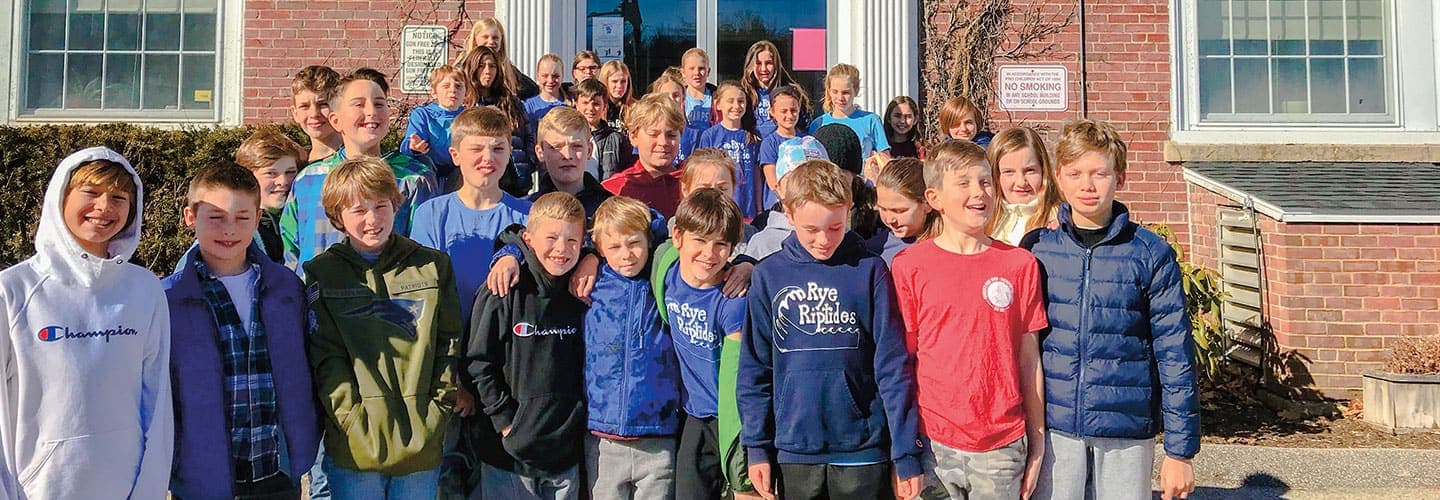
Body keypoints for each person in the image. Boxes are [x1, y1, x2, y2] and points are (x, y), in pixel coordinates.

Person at [1021, 119, 1199, 500]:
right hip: (1055, 428)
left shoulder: (1151, 254)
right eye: (1076, 174)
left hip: (1125, 430)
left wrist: (1180, 451)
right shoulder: (1037, 251)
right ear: (1059, 178)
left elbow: (1175, 355)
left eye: (1100, 173)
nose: (1088, 185)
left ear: (1120, 175)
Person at [739, 159, 923, 500]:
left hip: (862, 449)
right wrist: (757, 448)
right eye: (811, 229)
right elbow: (754, 371)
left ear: (849, 211)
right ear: (789, 214)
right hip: (794, 448)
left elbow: (892, 367)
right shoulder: (769, 276)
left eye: (835, 227)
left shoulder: (870, 270)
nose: (824, 240)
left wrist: (905, 454)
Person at [0, 147, 173, 500]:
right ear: (60, 198)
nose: (104, 207)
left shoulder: (144, 289)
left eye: (119, 197)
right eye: (91, 193)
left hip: (125, 487)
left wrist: (149, 488)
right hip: (37, 488)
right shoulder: (13, 290)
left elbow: (156, 398)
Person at [891, 140, 1048, 499]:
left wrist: (1036, 441)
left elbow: (1029, 358)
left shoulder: (1020, 265)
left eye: (985, 182)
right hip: (933, 443)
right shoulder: (911, 267)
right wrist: (901, 450)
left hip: (1001, 444)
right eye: (963, 183)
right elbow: (902, 361)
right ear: (934, 198)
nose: (979, 193)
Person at [304, 156, 461, 499]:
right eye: (358, 210)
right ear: (338, 217)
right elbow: (326, 358)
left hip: (422, 441)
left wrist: (436, 412)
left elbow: (448, 345)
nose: (372, 220)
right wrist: (351, 421)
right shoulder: (323, 273)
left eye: (381, 206)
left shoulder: (432, 266)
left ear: (395, 204)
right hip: (355, 449)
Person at [165, 163, 321, 500]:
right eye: (216, 217)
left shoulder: (287, 288)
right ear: (190, 217)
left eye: (241, 217)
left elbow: (307, 365)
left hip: (276, 469)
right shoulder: (168, 299)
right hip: (200, 474)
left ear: (258, 217)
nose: (229, 230)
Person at [469, 193, 590, 500]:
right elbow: (478, 362)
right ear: (528, 237)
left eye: (572, 241)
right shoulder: (504, 287)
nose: (561, 249)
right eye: (551, 237)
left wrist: (594, 257)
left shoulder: (585, 290)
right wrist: (505, 423)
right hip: (508, 456)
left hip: (565, 453)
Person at [280, 69, 438, 277]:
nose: (371, 111)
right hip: (316, 299)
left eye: (379, 103)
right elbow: (291, 248)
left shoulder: (413, 178)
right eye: (359, 104)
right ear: (336, 120)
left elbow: (424, 251)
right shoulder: (309, 180)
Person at [652, 188, 751, 499]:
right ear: (679, 237)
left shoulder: (733, 300)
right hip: (696, 415)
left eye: (721, 245)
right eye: (700, 241)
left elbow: (738, 377)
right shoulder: (665, 266)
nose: (709, 254)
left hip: (736, 422)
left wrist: (750, 265)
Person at [583, 196, 684, 500]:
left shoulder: (662, 276)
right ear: (600, 249)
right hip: (603, 437)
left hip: (657, 434)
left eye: (634, 243)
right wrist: (508, 254)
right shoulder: (593, 281)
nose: (626, 255)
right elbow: (536, 251)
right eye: (614, 247)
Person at [410, 106, 532, 325]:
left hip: (504, 344)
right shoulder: (431, 215)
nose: (487, 158)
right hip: (448, 341)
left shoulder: (528, 215)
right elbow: (422, 289)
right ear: (455, 155)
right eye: (476, 149)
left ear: (509, 153)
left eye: (498, 149)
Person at [459, 45, 537, 197]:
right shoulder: (465, 104)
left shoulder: (511, 102)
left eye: (492, 66)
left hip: (515, 180)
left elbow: (528, 135)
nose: (487, 71)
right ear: (472, 68)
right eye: (481, 66)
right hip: (478, 180)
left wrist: (528, 162)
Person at [602, 93, 686, 218]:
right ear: (633, 136)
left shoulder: (691, 183)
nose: (663, 143)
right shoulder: (614, 189)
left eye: (671, 135)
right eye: (653, 134)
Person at [234, 127, 307, 262]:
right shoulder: (241, 230)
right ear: (248, 176)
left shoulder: (302, 219)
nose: (283, 181)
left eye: (290, 172)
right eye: (271, 173)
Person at [529, 106, 613, 222]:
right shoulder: (528, 210)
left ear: (589, 150)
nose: (567, 155)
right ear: (540, 152)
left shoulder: (609, 209)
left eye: (576, 146)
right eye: (556, 147)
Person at [696, 81, 763, 219]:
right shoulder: (709, 135)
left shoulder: (752, 136)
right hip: (719, 207)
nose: (736, 106)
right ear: (718, 105)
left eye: (741, 101)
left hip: (747, 207)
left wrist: (759, 207)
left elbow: (756, 174)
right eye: (730, 101)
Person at [986, 127, 1061, 245]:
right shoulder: (982, 219)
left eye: (1030, 170)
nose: (1021, 182)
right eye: (1009, 172)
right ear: (994, 174)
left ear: (1043, 170)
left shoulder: (1060, 220)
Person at [808, 63, 890, 166]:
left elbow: (884, 159)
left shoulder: (871, 120)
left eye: (845, 92)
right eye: (835, 92)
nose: (840, 97)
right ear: (828, 91)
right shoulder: (818, 124)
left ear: (856, 91)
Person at [402, 65, 468, 188]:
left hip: (457, 170)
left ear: (466, 91)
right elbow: (408, 143)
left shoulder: (468, 117)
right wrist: (414, 147)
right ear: (433, 92)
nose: (453, 90)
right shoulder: (423, 115)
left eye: (458, 86)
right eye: (446, 86)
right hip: (430, 169)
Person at [865, 157, 938, 265]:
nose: (890, 220)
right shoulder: (873, 250)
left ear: (927, 204)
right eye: (883, 209)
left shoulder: (952, 244)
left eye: (899, 211)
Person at [741, 40, 811, 138]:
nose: (764, 69)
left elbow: (803, 127)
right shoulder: (744, 93)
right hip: (754, 149)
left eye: (768, 63)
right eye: (758, 63)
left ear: (776, 64)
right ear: (751, 66)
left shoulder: (791, 93)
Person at [460, 17, 539, 99]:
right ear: (475, 40)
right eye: (485, 37)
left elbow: (533, 90)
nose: (491, 42)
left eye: (495, 38)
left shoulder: (509, 70)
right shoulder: (463, 67)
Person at [757, 85, 808, 212]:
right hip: (779, 205)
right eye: (783, 111)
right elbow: (772, 180)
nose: (789, 115)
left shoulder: (807, 140)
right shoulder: (770, 143)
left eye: (793, 110)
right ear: (772, 112)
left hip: (803, 202)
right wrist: (787, 201)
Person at [576, 78, 634, 181]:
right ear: (576, 105)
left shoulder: (617, 139)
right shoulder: (569, 138)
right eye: (585, 103)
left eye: (596, 104)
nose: (590, 108)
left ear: (604, 106)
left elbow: (627, 175)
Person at [290, 64, 344, 163]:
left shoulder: (355, 162)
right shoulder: (293, 168)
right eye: (304, 106)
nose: (314, 114)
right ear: (295, 113)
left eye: (323, 104)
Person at [679, 48, 717, 163]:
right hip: (685, 154)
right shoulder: (678, 98)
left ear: (708, 71)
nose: (697, 73)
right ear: (683, 72)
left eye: (701, 68)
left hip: (710, 154)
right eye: (691, 68)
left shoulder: (717, 97)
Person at [524, 54, 568, 133]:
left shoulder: (571, 103)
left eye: (555, 76)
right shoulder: (528, 106)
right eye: (545, 76)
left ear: (562, 76)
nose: (550, 80)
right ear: (537, 76)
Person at [600, 60, 635, 133]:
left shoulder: (635, 108)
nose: (619, 86)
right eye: (614, 81)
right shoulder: (597, 107)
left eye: (623, 81)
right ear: (605, 82)